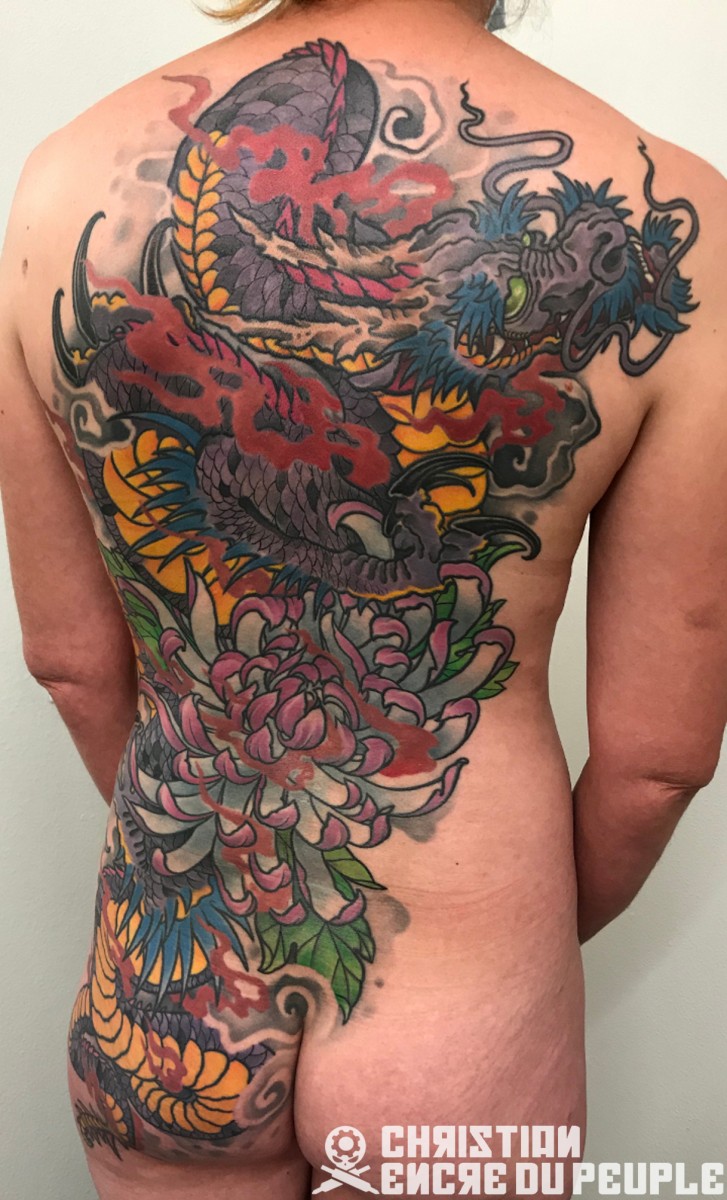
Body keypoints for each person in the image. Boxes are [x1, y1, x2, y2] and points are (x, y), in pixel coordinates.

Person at [1, 0, 726, 1196]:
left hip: (170, 965)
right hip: (457, 1001)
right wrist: (519, 943)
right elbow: (657, 763)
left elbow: (71, 664)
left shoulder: (55, 188)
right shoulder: (684, 219)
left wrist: (213, 838)